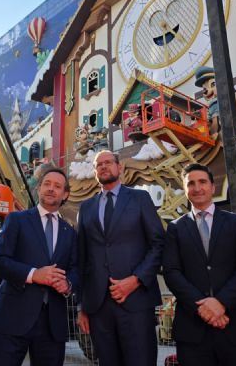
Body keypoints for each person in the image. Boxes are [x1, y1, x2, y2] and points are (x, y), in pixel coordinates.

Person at [162, 163, 236, 366]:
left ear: (213, 187)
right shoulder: (175, 228)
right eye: (191, 184)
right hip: (193, 331)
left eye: (202, 182)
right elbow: (172, 272)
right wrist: (202, 307)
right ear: (185, 189)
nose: (197, 188)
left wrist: (221, 302)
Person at [77, 150, 165, 366]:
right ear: (95, 172)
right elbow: (82, 259)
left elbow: (158, 244)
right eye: (99, 164)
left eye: (108, 162)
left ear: (120, 167)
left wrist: (136, 280)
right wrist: (82, 306)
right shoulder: (86, 208)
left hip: (136, 301)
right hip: (98, 308)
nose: (104, 166)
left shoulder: (140, 199)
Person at [0, 167, 78, 366]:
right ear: (38, 189)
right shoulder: (16, 220)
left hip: (52, 326)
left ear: (65, 194)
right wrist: (34, 274)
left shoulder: (69, 232)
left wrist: (68, 284)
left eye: (57, 186)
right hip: (12, 319)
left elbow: (75, 269)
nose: (51, 189)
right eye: (47, 184)